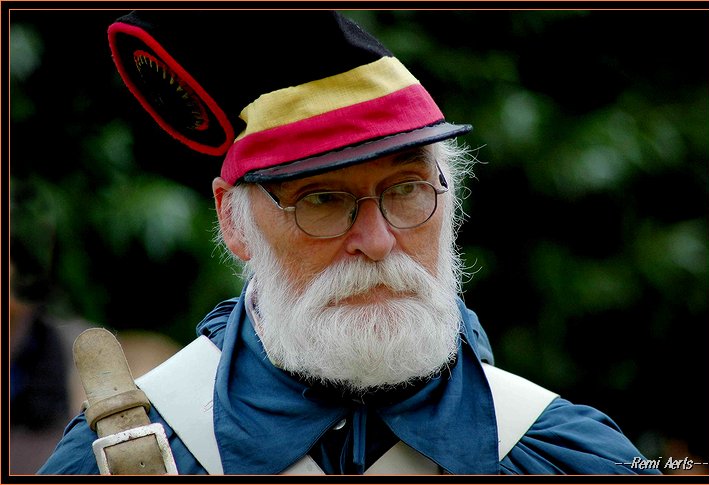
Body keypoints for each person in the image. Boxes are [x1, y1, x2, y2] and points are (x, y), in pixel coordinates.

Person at [38, 10, 660, 475]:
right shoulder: (124, 458)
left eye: (408, 189)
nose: (379, 240)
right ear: (233, 220)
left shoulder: (565, 452)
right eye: (323, 200)